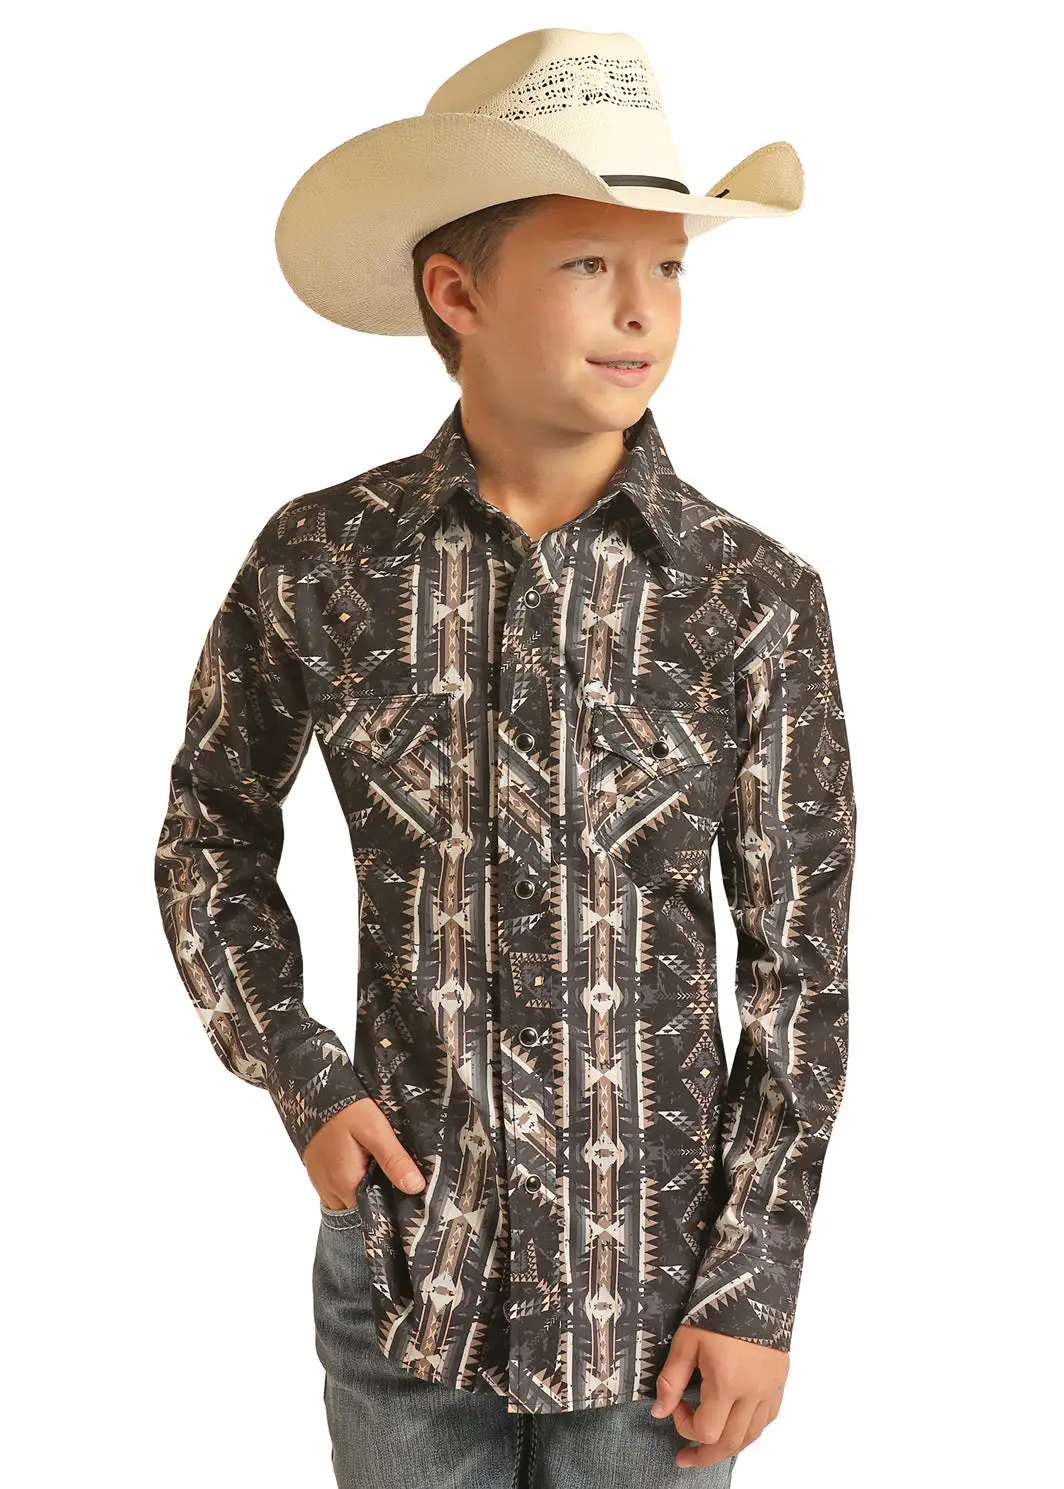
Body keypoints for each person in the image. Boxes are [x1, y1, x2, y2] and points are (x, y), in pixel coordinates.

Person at [154, 26, 856, 1489]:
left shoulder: (749, 596)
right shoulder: (323, 561)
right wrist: (301, 1077)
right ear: (457, 292)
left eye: (668, 267)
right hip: (410, 1273)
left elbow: (800, 967)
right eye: (590, 263)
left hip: (659, 1306)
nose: (643, 309)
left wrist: (755, 1283)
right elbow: (209, 837)